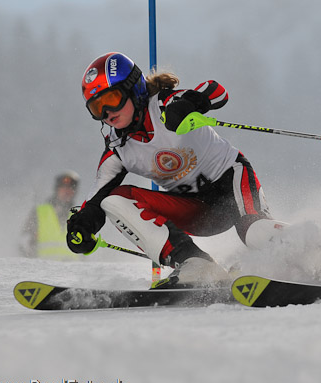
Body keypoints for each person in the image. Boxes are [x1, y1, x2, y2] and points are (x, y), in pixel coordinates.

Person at [66, 52, 287, 287]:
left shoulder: (163, 104)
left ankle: (317, 251)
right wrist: (83, 226)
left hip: (230, 182)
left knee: (254, 232)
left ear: (134, 89)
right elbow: (96, 198)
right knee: (112, 201)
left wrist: (189, 104)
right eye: (97, 107)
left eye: (112, 99)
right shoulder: (118, 148)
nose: (107, 113)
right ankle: (197, 265)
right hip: (193, 210)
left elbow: (217, 90)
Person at [20, 171, 81, 260]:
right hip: (44, 270)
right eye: (63, 187)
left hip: (72, 270)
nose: (67, 191)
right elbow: (24, 242)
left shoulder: (79, 215)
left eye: (71, 188)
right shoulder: (39, 212)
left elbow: (85, 249)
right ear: (57, 189)